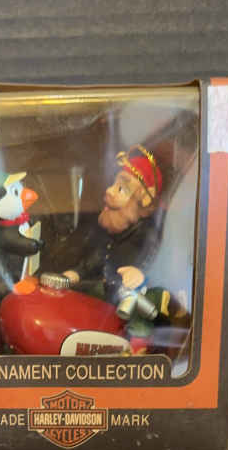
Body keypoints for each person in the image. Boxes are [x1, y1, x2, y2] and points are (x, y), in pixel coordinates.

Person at [63, 145, 170, 350]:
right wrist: (77, 273)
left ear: (145, 199)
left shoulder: (147, 234)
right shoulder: (110, 229)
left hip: (129, 296)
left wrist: (141, 273)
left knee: (144, 304)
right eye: (113, 184)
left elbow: (155, 259)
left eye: (121, 189)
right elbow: (98, 257)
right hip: (106, 297)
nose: (109, 191)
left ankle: (138, 344)